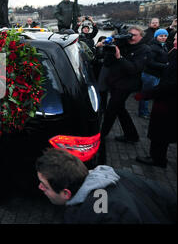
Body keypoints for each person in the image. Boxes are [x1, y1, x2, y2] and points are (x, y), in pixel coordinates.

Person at [36, 149, 176, 224]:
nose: (40, 188)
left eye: (45, 186)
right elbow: (169, 200)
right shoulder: (117, 175)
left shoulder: (90, 216)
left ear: (66, 193)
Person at [99, 26, 150, 143]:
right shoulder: (123, 44)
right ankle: (131, 135)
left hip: (126, 85)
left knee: (111, 110)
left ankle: (101, 134)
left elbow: (134, 69)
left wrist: (120, 57)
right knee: (120, 109)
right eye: (129, 35)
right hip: (115, 83)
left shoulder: (144, 49)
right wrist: (110, 46)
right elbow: (107, 62)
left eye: (134, 35)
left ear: (141, 37)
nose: (131, 38)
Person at [136, 34, 176, 168]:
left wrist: (148, 94)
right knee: (162, 131)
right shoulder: (173, 52)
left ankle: (157, 159)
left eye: (176, 39)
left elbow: (170, 84)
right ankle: (158, 157)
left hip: (167, 102)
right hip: (167, 99)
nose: (173, 40)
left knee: (160, 131)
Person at [138, 29, 169, 119]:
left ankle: (146, 111)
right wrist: (165, 66)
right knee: (146, 95)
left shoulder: (163, 46)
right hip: (150, 75)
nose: (163, 38)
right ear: (156, 37)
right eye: (161, 36)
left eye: (165, 36)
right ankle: (143, 112)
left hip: (157, 74)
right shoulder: (153, 47)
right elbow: (149, 62)